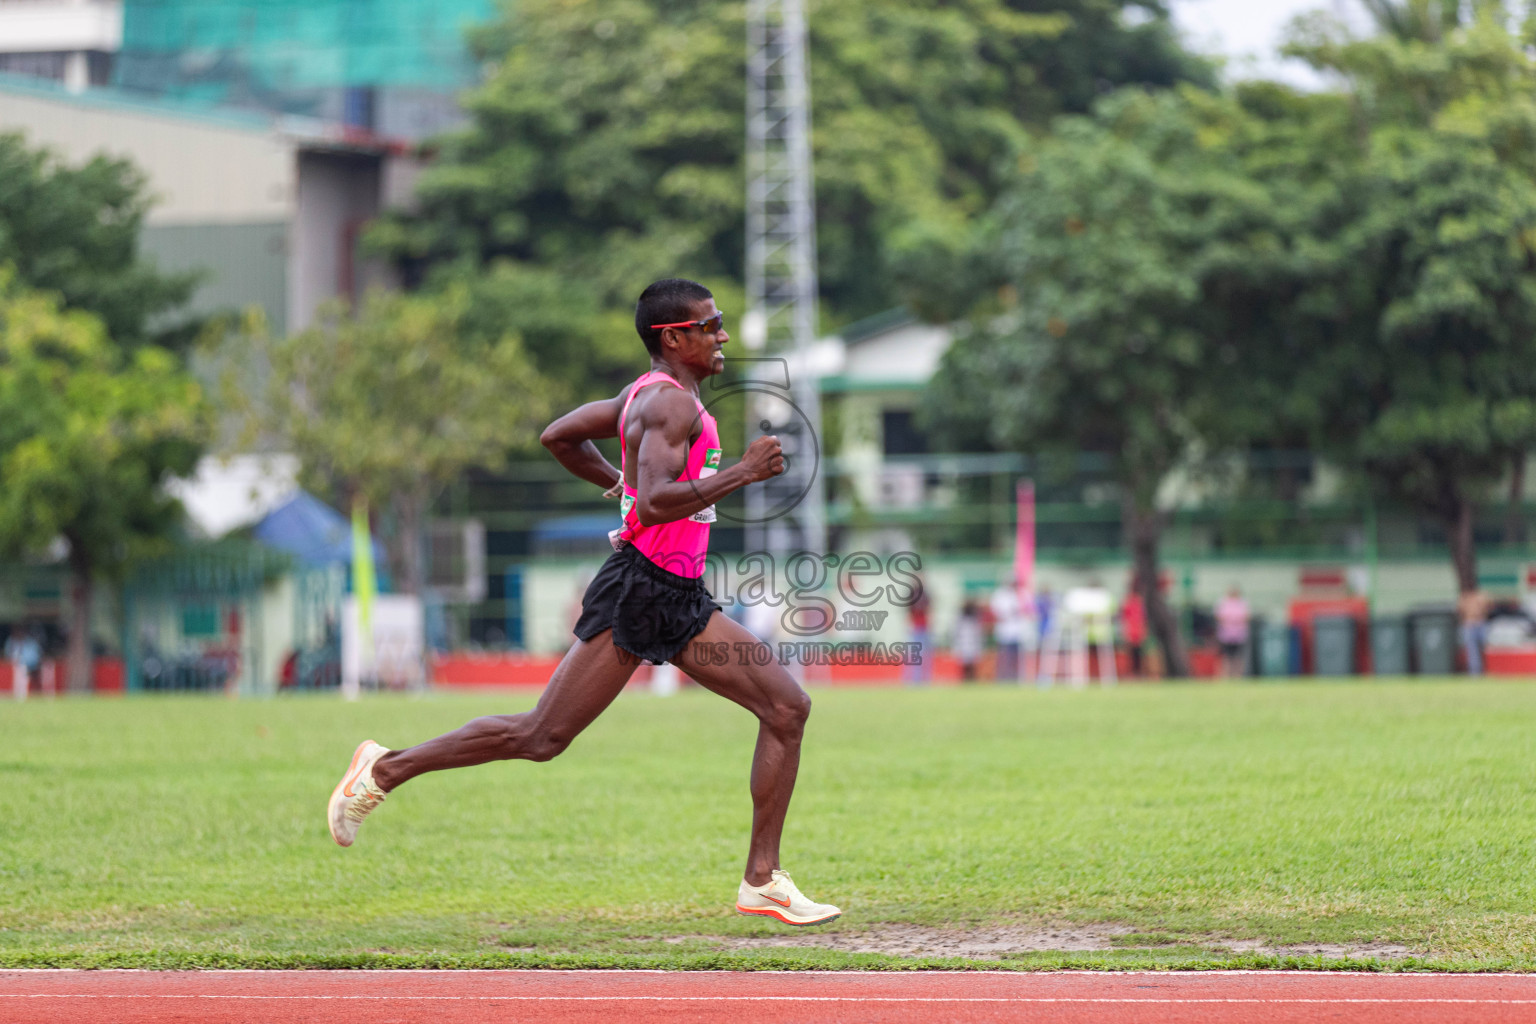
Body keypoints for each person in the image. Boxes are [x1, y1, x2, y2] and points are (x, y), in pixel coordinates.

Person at [326, 279, 840, 927]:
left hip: (678, 595)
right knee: (541, 736)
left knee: (787, 707)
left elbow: (559, 436)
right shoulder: (667, 408)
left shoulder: (644, 397)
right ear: (672, 338)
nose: (723, 336)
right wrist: (740, 472)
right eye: (709, 326)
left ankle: (761, 881)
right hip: (639, 589)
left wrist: (620, 481)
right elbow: (653, 504)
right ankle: (382, 771)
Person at [989, 577, 1023, 683]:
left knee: (1014, 657)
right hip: (1004, 631)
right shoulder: (1000, 594)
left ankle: (1014, 677)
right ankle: (1002, 677)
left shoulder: (1018, 594)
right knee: (1004, 656)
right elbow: (995, 611)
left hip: (1016, 631)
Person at [1215, 586, 1250, 679]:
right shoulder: (1223, 602)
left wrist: (1235, 620)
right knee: (1226, 656)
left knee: (1238, 657)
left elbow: (1246, 617)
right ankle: (1226, 675)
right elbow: (1219, 616)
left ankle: (1238, 676)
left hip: (1238, 634)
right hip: (1226, 635)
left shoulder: (1242, 603)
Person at [903, 579, 932, 684]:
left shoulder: (925, 594)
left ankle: (925, 679)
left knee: (925, 655)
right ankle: (914, 679)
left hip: (924, 627)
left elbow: (929, 610)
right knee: (914, 655)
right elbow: (908, 611)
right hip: (915, 627)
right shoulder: (912, 594)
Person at [1458, 588, 1490, 676]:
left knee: (1485, 649)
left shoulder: (1481, 596)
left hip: (1481, 624)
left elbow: (1486, 608)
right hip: (1469, 625)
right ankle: (1475, 673)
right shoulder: (1464, 597)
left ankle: (1487, 671)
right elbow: (1460, 611)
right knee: (1472, 652)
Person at [1120, 580, 1147, 679]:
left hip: (1135, 632)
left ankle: (1137, 673)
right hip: (1134, 631)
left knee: (1136, 655)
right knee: (1133, 655)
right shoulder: (1135, 601)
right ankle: (1133, 673)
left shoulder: (1132, 601)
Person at [954, 599, 984, 682]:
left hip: (971, 643)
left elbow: (978, 633)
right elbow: (957, 633)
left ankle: (971, 678)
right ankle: (966, 678)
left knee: (971, 664)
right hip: (965, 642)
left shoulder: (974, 619)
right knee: (966, 664)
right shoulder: (961, 619)